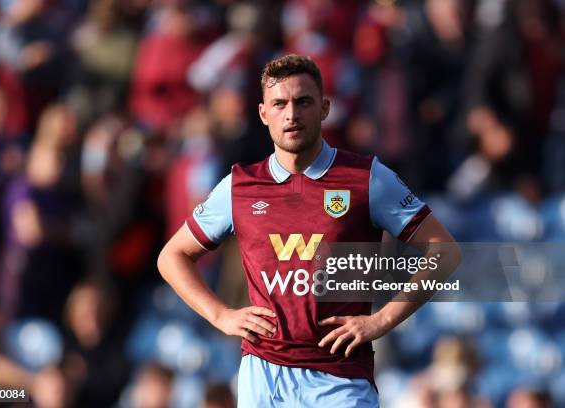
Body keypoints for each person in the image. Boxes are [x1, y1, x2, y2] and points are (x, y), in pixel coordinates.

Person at [158, 54, 459, 407]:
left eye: (303, 102)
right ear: (263, 113)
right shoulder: (239, 186)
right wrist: (221, 315)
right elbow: (172, 256)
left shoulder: (366, 178)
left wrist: (380, 321)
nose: (291, 114)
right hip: (264, 375)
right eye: (279, 104)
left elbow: (445, 249)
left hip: (342, 378)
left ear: (325, 108)